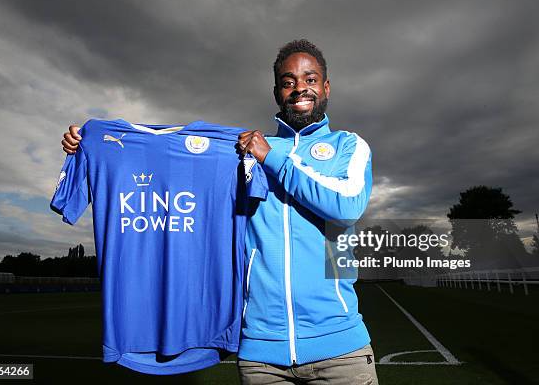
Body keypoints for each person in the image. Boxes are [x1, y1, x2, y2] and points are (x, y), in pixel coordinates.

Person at [61, 39, 377, 385]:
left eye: (310, 79)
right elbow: (175, 165)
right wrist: (92, 145)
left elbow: (346, 206)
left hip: (340, 348)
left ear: (326, 86)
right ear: (276, 91)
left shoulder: (348, 145)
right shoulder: (242, 153)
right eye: (288, 81)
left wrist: (271, 157)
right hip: (261, 354)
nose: (299, 88)